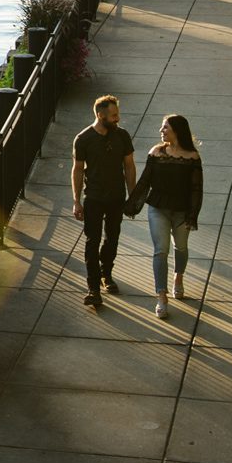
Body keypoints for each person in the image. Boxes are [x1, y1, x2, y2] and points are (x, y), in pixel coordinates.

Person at [128, 114, 205, 318]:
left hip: (182, 210)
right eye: (162, 128)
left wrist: (192, 215)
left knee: (181, 247)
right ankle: (161, 296)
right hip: (158, 208)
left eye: (165, 128)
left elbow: (196, 189)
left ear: (177, 131)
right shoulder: (156, 152)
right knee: (160, 250)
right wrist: (132, 205)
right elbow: (145, 181)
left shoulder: (192, 157)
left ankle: (178, 277)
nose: (161, 131)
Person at [71, 94, 136, 308]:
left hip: (116, 196)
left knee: (112, 237)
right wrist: (76, 201)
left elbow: (129, 165)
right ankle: (93, 289)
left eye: (117, 114)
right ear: (101, 115)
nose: (118, 118)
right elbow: (78, 170)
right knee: (92, 240)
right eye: (114, 115)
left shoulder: (122, 136)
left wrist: (132, 194)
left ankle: (106, 273)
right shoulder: (83, 139)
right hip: (94, 198)